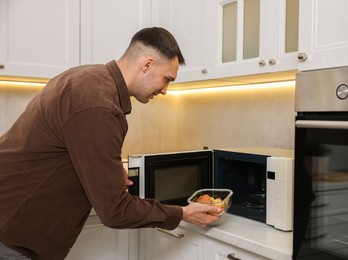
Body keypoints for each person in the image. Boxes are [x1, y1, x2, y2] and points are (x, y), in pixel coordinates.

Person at [0, 27, 223, 260]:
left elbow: (65, 148)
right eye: (167, 79)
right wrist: (183, 213)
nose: (166, 90)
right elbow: (115, 211)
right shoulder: (98, 105)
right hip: (11, 235)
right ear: (147, 65)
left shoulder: (87, 79)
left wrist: (110, 170)